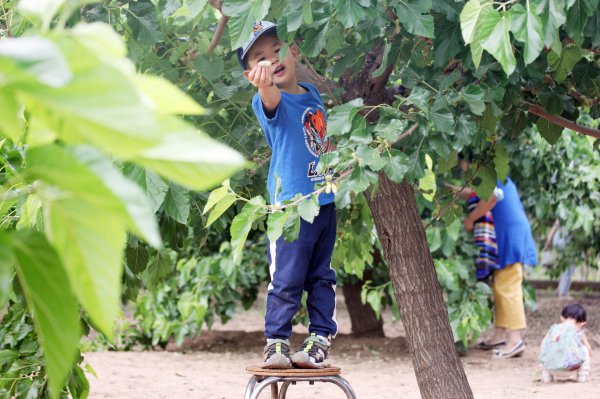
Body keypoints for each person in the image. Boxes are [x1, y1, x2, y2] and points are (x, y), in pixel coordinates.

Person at [238, 21, 337, 369]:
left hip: (324, 203)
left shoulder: (311, 92)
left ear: (294, 50)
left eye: (276, 49)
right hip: (290, 209)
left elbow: (323, 138)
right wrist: (264, 85)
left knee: (322, 275)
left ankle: (319, 339)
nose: (270, 59)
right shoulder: (266, 100)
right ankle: (276, 342)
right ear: (252, 72)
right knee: (286, 279)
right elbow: (271, 98)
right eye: (259, 58)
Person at [466, 177, 538, 358]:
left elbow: (489, 199)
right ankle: (499, 335)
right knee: (499, 287)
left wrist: (470, 219)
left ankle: (515, 340)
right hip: (505, 235)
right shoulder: (494, 175)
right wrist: (453, 190)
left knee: (508, 287)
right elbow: (473, 192)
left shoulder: (491, 176)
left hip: (510, 235)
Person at [539, 303, 591, 383]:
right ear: (582, 323)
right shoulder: (579, 331)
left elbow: (543, 344)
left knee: (546, 347)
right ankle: (582, 377)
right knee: (584, 349)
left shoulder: (553, 329)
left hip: (550, 367)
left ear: (562, 318)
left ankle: (547, 378)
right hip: (571, 368)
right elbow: (588, 348)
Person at [543, 219, 576, 300]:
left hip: (561, 243)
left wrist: (548, 241)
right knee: (569, 267)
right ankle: (563, 293)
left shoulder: (567, 214)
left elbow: (554, 227)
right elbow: (555, 226)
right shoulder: (567, 213)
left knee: (567, 267)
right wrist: (548, 241)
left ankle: (561, 290)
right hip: (563, 243)